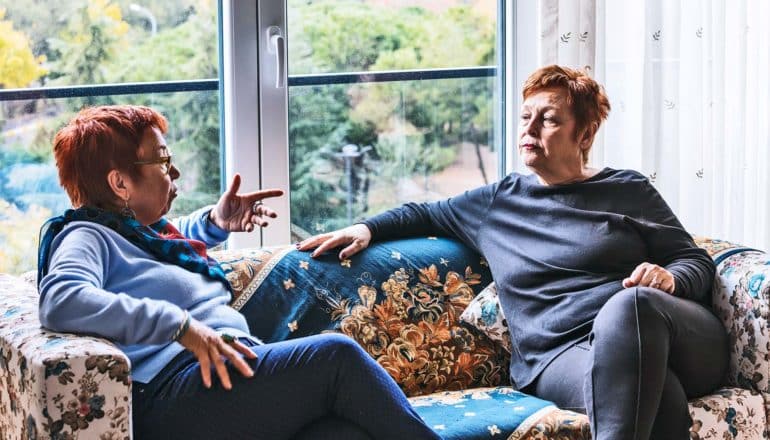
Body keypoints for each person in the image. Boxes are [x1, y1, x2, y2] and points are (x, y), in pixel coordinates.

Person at [298, 65, 728, 439]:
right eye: (525, 117)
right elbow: (423, 213)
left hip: (668, 335)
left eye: (548, 120)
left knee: (627, 306)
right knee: (662, 395)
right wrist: (365, 227)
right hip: (561, 356)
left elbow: (695, 261)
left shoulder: (627, 189)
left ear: (585, 133)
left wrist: (669, 278)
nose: (529, 128)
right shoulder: (497, 202)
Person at [37, 105, 440, 440]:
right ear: (120, 183)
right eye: (162, 161)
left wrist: (215, 220)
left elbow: (165, 251)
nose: (173, 173)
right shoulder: (85, 235)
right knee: (338, 357)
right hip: (169, 393)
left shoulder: (142, 233)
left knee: (341, 434)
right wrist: (179, 326)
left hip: (217, 380)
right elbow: (61, 299)